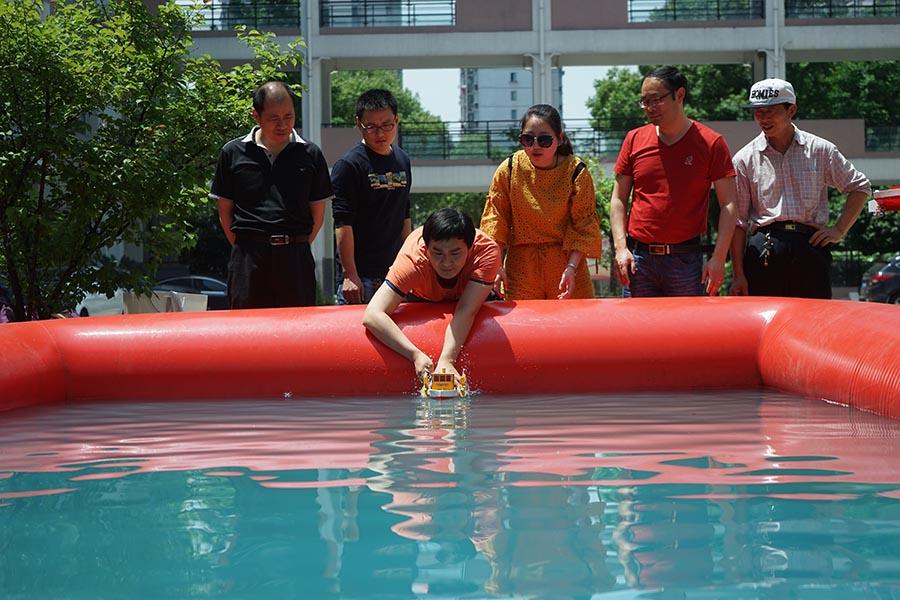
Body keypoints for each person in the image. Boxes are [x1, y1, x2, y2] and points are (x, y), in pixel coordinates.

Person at [730, 78, 871, 298]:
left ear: (791, 110)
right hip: (764, 252)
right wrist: (738, 274)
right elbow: (738, 221)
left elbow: (860, 187)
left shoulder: (821, 150)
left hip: (810, 248)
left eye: (771, 111)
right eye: (758, 112)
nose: (763, 118)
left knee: (813, 322)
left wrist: (839, 230)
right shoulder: (744, 159)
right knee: (768, 320)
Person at [610, 66, 738, 297]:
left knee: (687, 331)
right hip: (638, 261)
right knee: (634, 331)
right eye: (644, 101)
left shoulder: (712, 143)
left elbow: (729, 203)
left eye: (655, 100)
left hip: (686, 261)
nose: (648, 108)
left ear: (679, 95)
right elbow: (618, 199)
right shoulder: (634, 139)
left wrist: (718, 258)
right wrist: (621, 249)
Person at [210, 80, 333, 309]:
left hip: (295, 257)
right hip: (248, 258)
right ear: (255, 115)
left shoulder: (310, 154)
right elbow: (225, 211)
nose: (283, 125)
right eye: (274, 118)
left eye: (289, 117)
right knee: (247, 332)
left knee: (297, 332)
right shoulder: (233, 152)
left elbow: (318, 213)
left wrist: (294, 244)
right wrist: (246, 246)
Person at [363, 208, 500, 382]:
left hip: (468, 292)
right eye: (437, 253)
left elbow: (467, 309)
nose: (447, 263)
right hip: (421, 295)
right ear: (426, 248)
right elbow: (372, 315)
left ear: (471, 247)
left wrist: (447, 360)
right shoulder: (412, 262)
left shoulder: (486, 252)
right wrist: (414, 354)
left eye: (455, 253)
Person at [481, 104, 602, 300]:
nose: (535, 146)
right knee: (522, 329)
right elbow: (495, 221)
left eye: (544, 140)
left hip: (567, 267)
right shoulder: (509, 169)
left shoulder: (576, 171)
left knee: (574, 327)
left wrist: (571, 268)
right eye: (527, 139)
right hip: (521, 268)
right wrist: (496, 265)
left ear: (560, 138)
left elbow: (584, 225)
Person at [332, 89, 412, 304]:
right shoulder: (348, 166)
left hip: (395, 275)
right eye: (372, 127)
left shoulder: (403, 160)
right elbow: (342, 224)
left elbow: (405, 216)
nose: (380, 133)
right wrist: (350, 275)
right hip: (361, 277)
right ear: (358, 124)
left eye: (387, 125)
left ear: (396, 120)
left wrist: (409, 265)